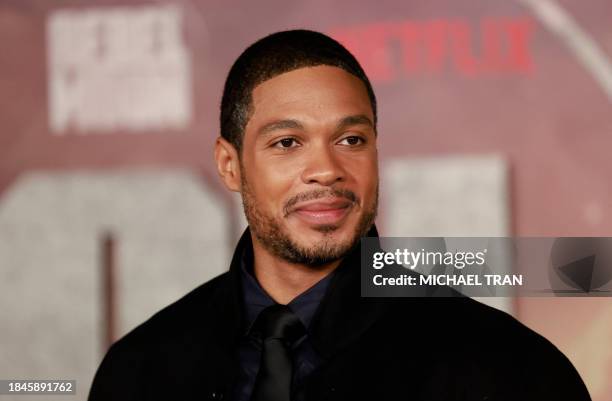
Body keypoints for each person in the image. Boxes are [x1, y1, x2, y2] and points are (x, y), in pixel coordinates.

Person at [88, 29, 591, 401]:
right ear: (230, 164)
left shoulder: (508, 370)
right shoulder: (140, 371)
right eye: (287, 143)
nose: (326, 170)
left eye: (351, 140)